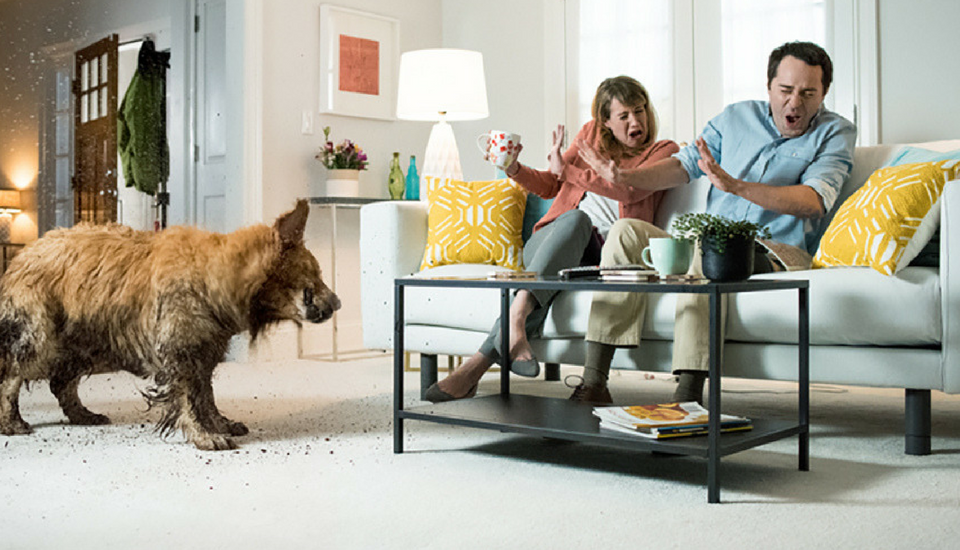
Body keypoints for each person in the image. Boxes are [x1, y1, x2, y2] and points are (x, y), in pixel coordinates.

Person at [572, 41, 857, 405]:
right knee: (627, 233)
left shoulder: (836, 132)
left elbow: (815, 201)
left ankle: (686, 400)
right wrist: (625, 175)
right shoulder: (736, 117)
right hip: (709, 241)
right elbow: (683, 165)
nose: (794, 103)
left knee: (711, 249)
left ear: (824, 94)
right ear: (769, 86)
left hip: (775, 249)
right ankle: (593, 383)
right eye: (785, 90)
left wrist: (735, 186)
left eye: (808, 93)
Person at [424, 76, 680, 402]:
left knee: (575, 231)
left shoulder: (663, 151)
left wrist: (569, 171)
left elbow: (630, 188)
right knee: (576, 220)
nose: (636, 121)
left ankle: (477, 364)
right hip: (553, 239)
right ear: (605, 121)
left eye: (641, 111)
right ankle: (514, 320)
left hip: (603, 258)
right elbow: (550, 186)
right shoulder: (589, 136)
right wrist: (514, 167)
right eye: (625, 115)